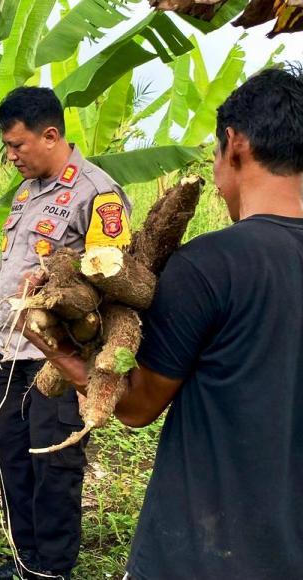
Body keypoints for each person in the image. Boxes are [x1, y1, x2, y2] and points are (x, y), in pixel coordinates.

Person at [19, 66, 303, 580]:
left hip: (198, 555)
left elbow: (136, 406)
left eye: (216, 155)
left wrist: (66, 358)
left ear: (234, 144)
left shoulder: (209, 265)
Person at [0, 87, 132, 580]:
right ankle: (24, 562)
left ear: (51, 134)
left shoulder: (97, 193)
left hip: (59, 360)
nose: (11, 155)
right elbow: (7, 272)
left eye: (18, 145)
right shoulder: (25, 193)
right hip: (11, 353)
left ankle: (51, 570)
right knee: (13, 461)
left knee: (54, 466)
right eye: (7, 146)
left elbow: (115, 279)